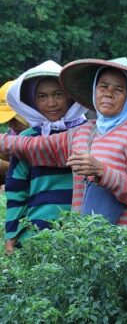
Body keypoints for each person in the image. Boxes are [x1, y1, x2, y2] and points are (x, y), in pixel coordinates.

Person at [0, 58, 127, 235]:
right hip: (89, 244)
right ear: (94, 90)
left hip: (125, 244)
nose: (109, 93)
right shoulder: (84, 131)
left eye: (119, 89)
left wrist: (102, 172)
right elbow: (34, 146)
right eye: (103, 86)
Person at [4, 60, 87, 254]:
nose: (51, 103)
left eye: (58, 94)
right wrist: (11, 236)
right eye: (42, 96)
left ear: (70, 95)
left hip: (79, 234)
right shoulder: (26, 139)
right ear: (32, 101)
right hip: (34, 233)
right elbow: (17, 190)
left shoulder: (87, 133)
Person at [0, 80, 28, 186]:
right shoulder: (12, 133)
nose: (11, 125)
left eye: (14, 119)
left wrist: (4, 168)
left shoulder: (51, 136)